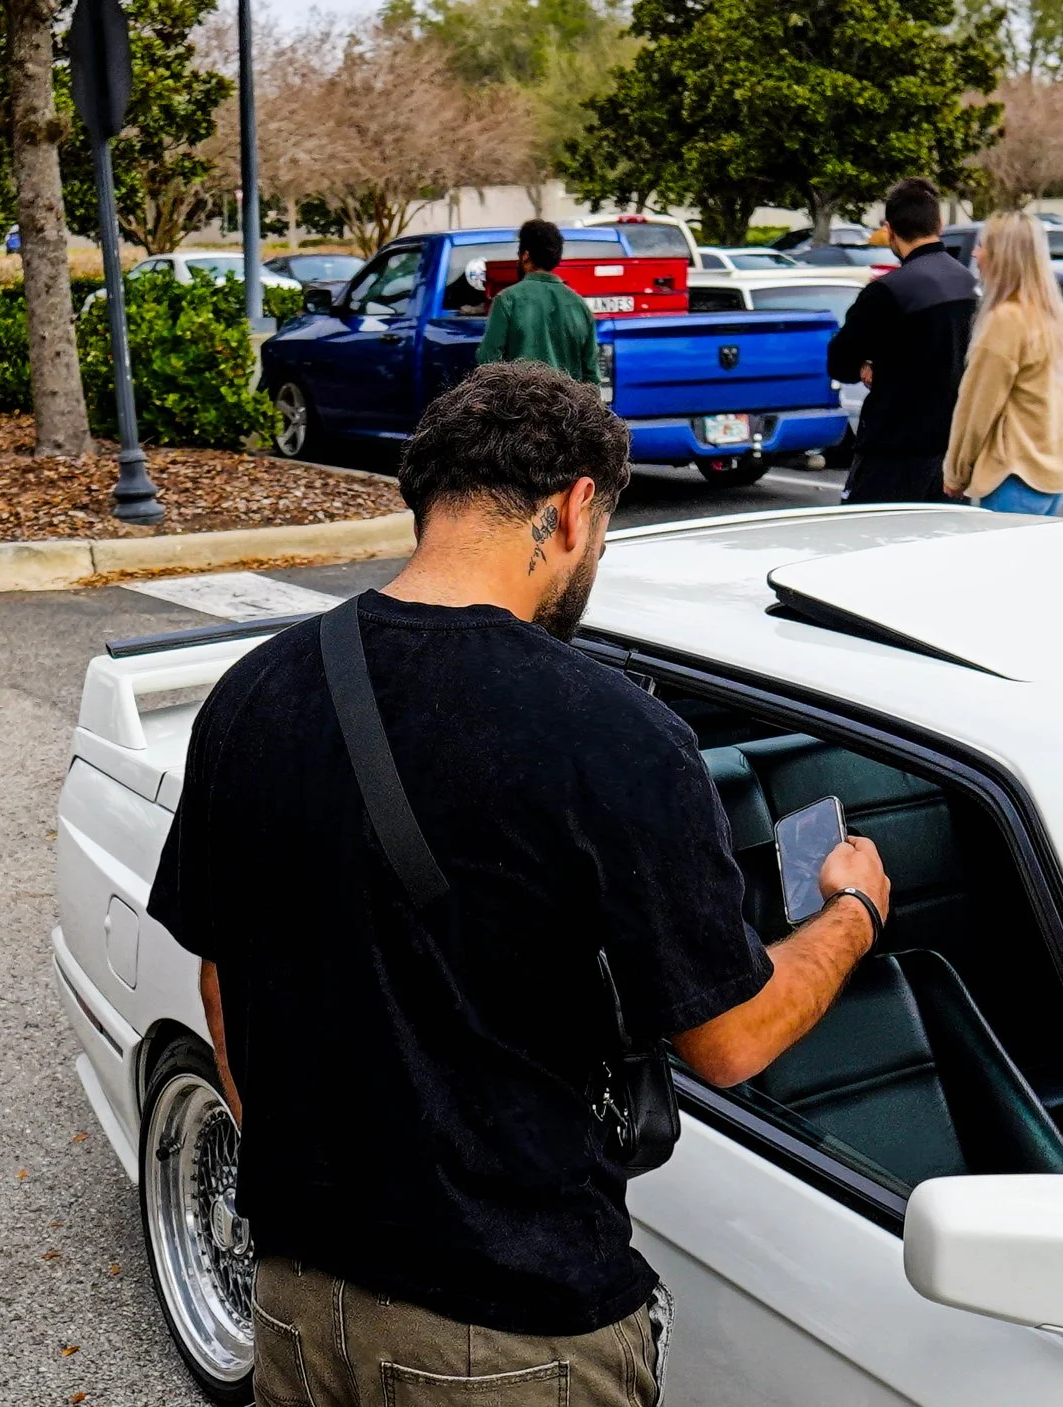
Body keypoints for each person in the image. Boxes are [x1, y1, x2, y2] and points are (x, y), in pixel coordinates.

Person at [150, 360, 891, 1407]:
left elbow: (223, 981)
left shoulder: (252, 693)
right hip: (505, 1335)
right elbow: (730, 1042)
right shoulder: (615, 735)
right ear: (576, 506)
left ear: (428, 497)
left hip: (297, 1303)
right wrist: (853, 912)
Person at [826, 178, 979, 503]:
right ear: (939, 224)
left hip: (892, 450)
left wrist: (864, 367)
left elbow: (839, 361)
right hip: (950, 449)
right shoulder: (967, 282)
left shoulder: (888, 291)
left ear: (889, 229)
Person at [945, 214, 1063, 515]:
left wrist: (956, 472)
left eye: (982, 246)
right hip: (1053, 474)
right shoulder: (1053, 315)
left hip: (1013, 475)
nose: (976, 254)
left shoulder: (1005, 320)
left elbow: (977, 407)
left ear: (1002, 256)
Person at [478, 217, 600, 382]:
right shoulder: (579, 306)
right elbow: (591, 375)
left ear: (525, 256)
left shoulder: (507, 301)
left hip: (521, 405)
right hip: (568, 406)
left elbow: (487, 361)